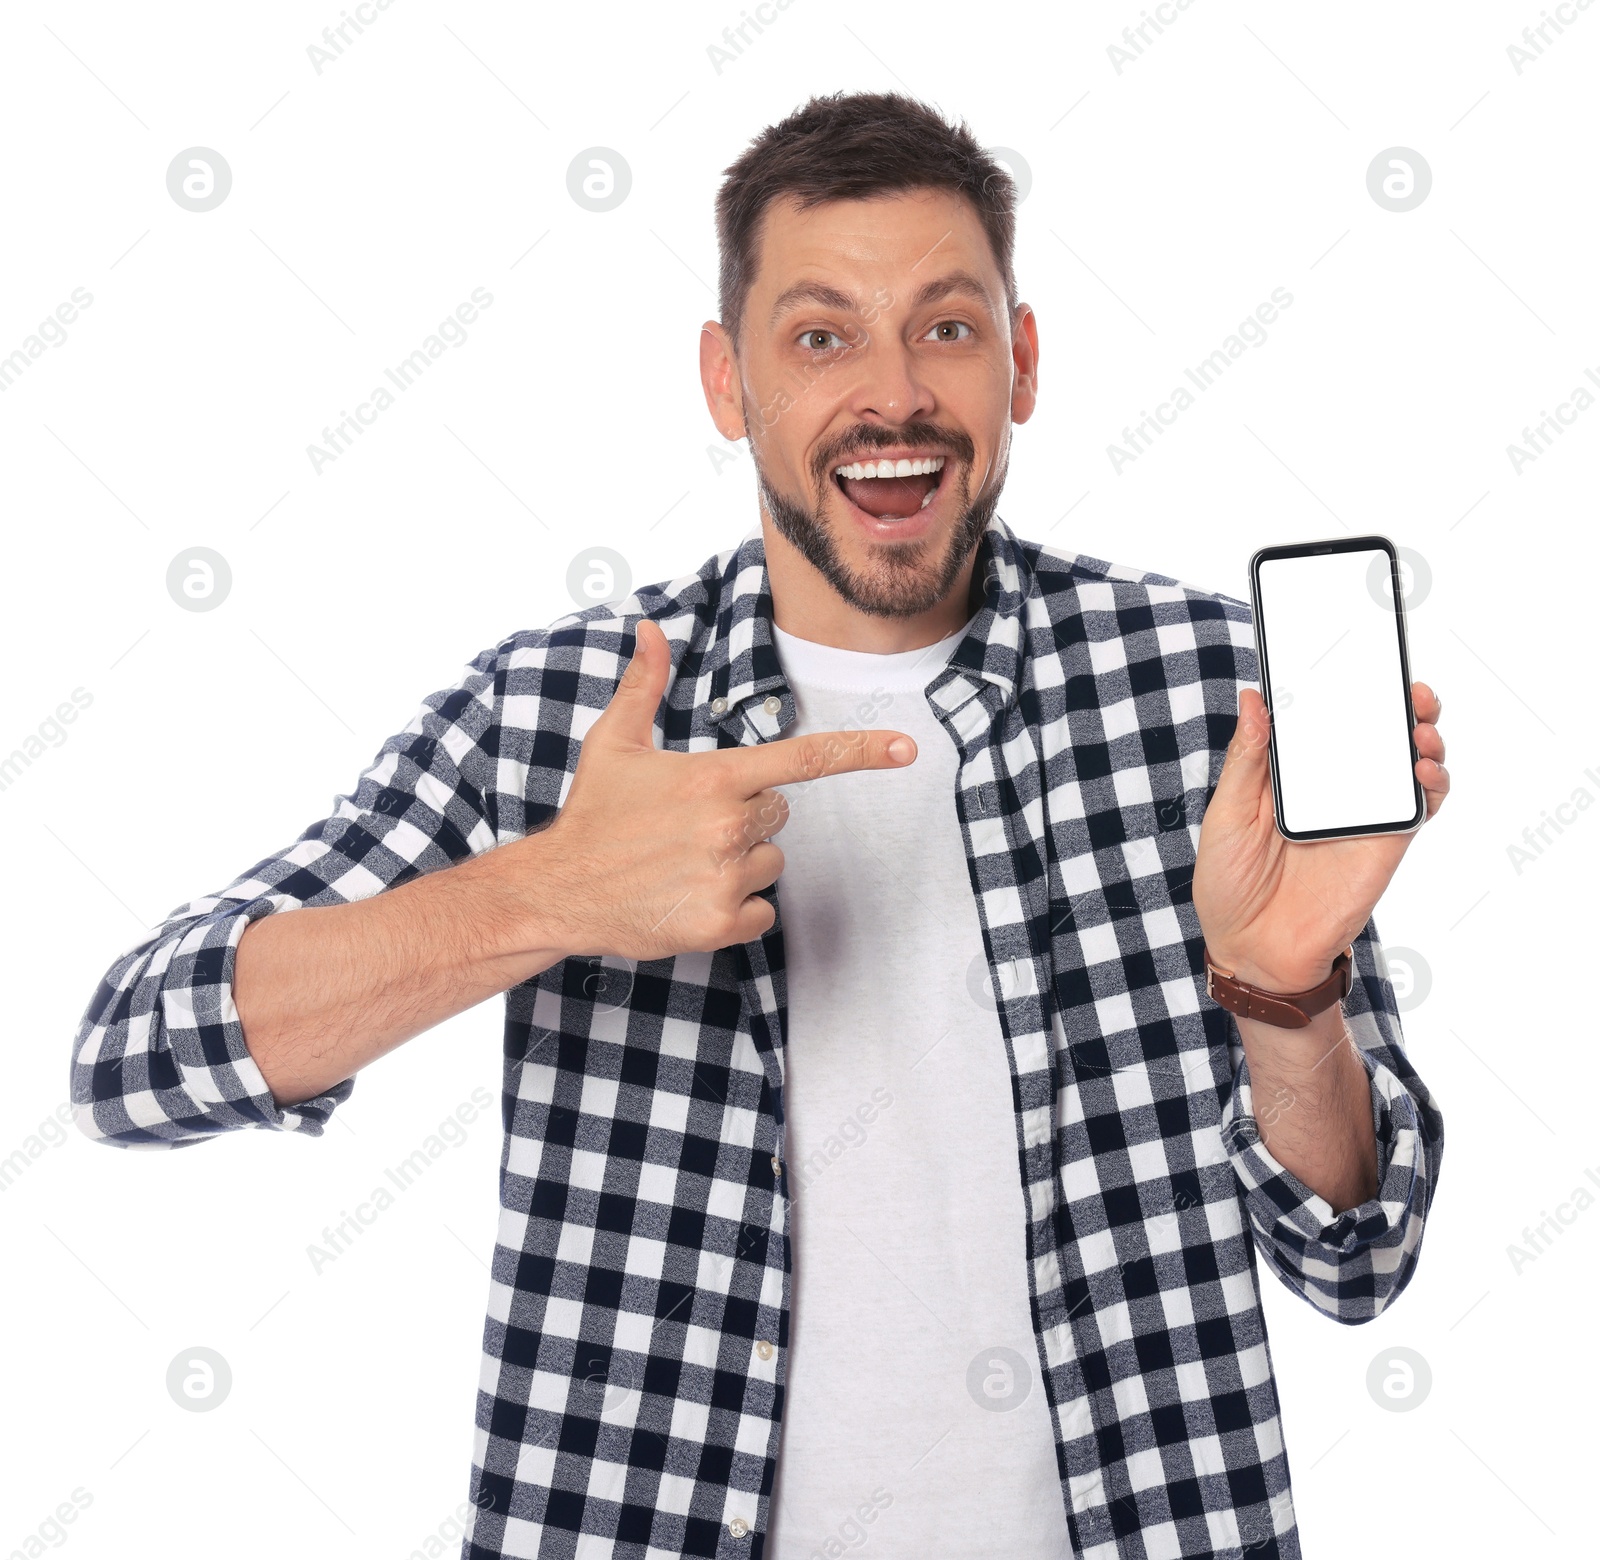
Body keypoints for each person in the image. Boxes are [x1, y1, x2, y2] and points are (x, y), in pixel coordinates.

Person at [71, 90, 1447, 1560]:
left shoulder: (1201, 694)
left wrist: (1284, 998)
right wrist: (540, 895)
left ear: (1022, 362)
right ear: (728, 383)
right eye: (820, 336)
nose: (896, 394)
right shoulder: (569, 711)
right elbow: (136, 1060)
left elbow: (1356, 1260)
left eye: (947, 326)